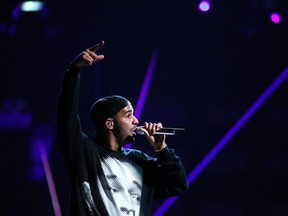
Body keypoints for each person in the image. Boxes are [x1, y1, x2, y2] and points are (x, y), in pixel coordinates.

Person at [57, 41, 188, 216]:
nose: (136, 120)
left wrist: (162, 150)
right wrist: (74, 72)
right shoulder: (85, 153)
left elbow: (177, 184)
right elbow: (67, 117)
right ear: (110, 123)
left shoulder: (138, 160)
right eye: (128, 115)